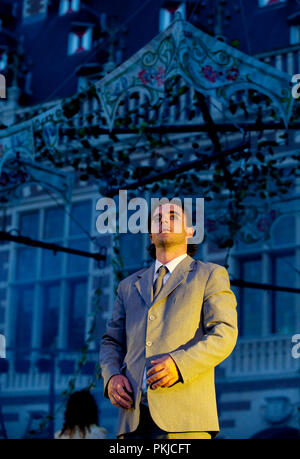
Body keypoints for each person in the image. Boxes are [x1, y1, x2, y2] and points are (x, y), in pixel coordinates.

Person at [100, 200, 238, 439]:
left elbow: (224, 334)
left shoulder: (210, 275)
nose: (163, 221)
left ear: (189, 231)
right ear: (151, 236)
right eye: (157, 219)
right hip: (132, 422)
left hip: (185, 421)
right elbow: (111, 342)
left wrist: (179, 364)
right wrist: (111, 376)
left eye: (173, 216)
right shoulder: (127, 286)